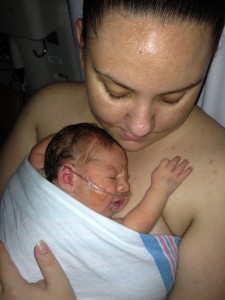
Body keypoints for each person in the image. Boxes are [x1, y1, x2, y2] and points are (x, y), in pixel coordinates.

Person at [0, 0, 225, 299]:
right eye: (115, 91)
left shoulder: (218, 179)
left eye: (173, 98)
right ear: (81, 43)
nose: (140, 126)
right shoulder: (44, 108)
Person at [38, 122, 192, 232]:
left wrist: (160, 189)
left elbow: (130, 227)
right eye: (113, 177)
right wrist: (159, 189)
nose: (125, 186)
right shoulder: (38, 194)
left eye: (126, 178)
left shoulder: (95, 225)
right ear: (68, 178)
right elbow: (134, 227)